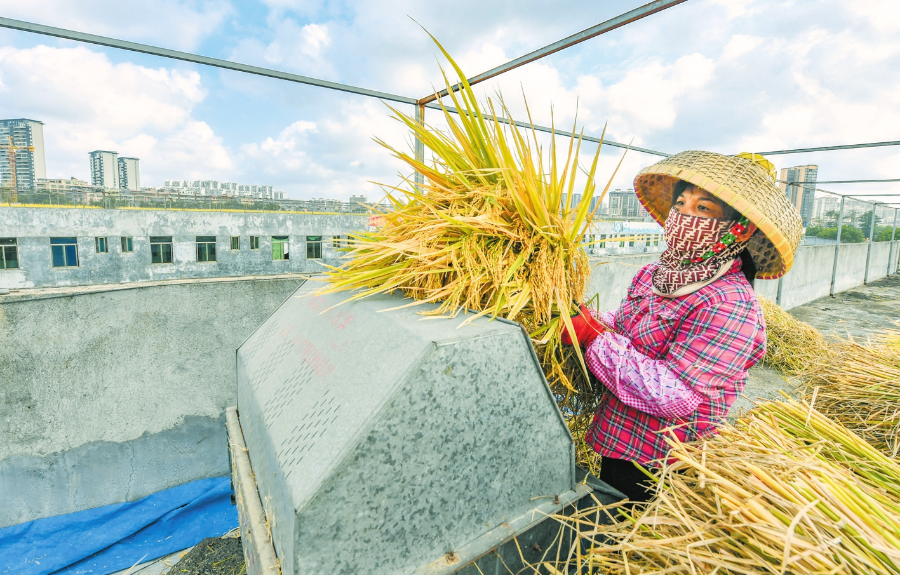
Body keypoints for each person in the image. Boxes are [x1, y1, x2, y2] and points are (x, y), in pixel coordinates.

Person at [562, 150, 803, 503]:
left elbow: (675, 394)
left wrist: (594, 337)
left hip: (664, 462)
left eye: (703, 208)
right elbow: (625, 326)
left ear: (739, 228)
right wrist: (586, 318)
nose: (684, 216)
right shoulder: (654, 275)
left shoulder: (730, 305)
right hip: (620, 437)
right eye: (681, 203)